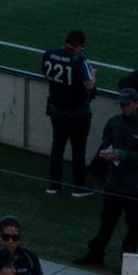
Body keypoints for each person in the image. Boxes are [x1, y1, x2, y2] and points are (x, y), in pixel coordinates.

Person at [75, 87, 138, 267]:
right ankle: (96, 253)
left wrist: (123, 155)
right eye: (121, 105)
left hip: (134, 187)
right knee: (107, 222)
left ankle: (127, 261)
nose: (124, 108)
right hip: (114, 183)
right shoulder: (113, 123)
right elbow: (106, 142)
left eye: (127, 105)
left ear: (136, 104)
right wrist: (107, 153)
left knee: (133, 226)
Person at [40, 29, 95, 195]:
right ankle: (79, 187)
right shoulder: (79, 60)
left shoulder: (49, 54)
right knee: (78, 149)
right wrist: (93, 74)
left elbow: (46, 73)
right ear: (79, 46)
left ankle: (54, 184)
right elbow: (89, 86)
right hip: (78, 112)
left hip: (57, 109)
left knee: (57, 146)